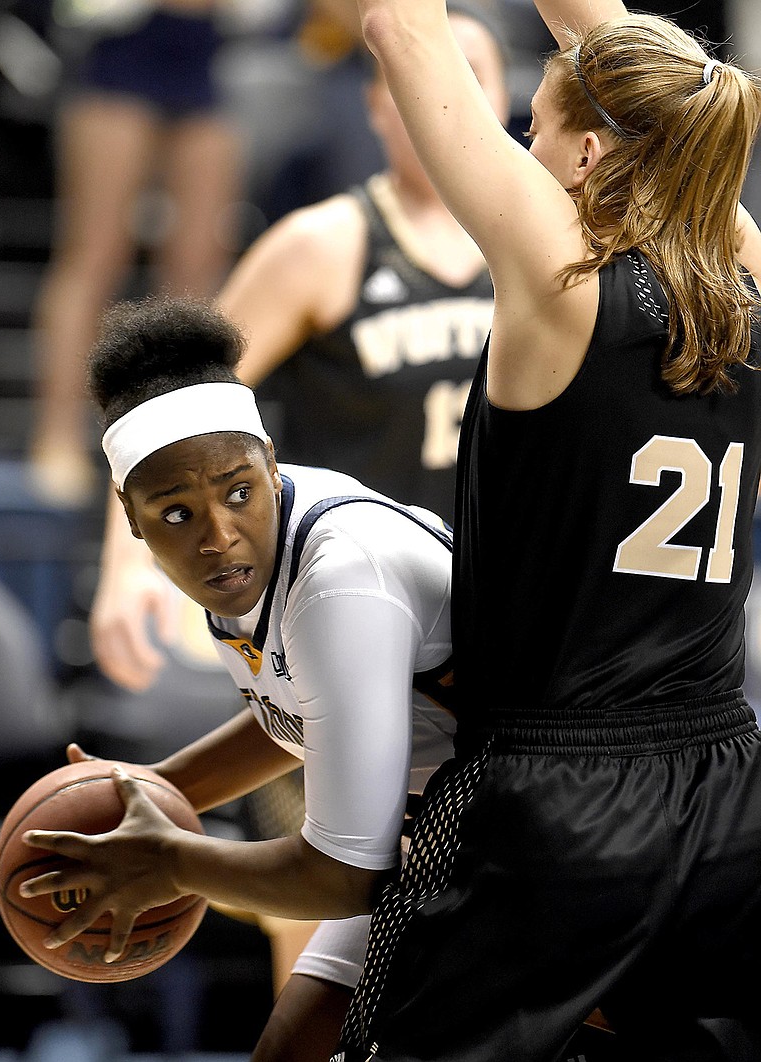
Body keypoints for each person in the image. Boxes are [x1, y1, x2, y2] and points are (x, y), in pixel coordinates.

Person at [317, 0, 761, 1060]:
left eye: (531, 130)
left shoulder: (559, 277)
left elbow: (400, 27)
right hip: (725, 784)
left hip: (557, 797)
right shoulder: (746, 275)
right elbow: (648, 82)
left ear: (590, 152)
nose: (519, 146)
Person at [18, 293, 459, 1062]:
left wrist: (170, 861)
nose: (219, 536)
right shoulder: (252, 558)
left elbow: (345, 878)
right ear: (131, 518)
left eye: (237, 492)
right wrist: (156, 792)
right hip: (461, 831)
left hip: (560, 830)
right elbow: (290, 715)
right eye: (177, 514)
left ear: (270, 465)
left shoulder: (337, 578)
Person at [88, 0, 507, 696]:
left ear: (502, 96)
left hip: (505, 601)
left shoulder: (545, 241)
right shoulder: (323, 244)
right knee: (341, 800)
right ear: (377, 104)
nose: (445, 98)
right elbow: (173, 396)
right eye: (420, 77)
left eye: (470, 75)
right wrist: (125, 568)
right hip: (346, 599)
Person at [28, 0, 242, 506]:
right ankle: (58, 436)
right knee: (95, 256)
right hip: (120, 59)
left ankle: (187, 430)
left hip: (203, 61)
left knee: (198, 269)